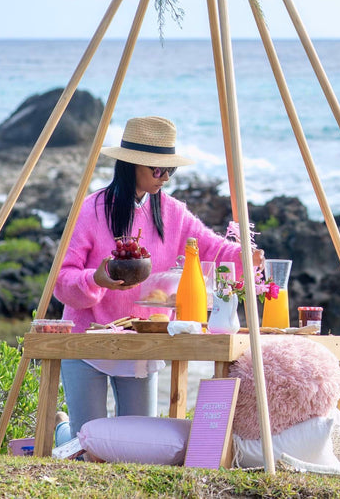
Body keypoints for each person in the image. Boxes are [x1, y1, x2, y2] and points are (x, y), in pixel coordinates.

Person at [53, 115, 260, 440]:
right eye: (157, 170)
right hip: (88, 340)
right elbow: (62, 278)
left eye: (170, 170)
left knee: (135, 442)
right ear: (131, 165)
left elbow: (211, 248)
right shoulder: (92, 209)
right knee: (85, 441)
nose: (164, 177)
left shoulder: (173, 212)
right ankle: (62, 430)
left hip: (143, 340)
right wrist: (96, 279)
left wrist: (246, 256)